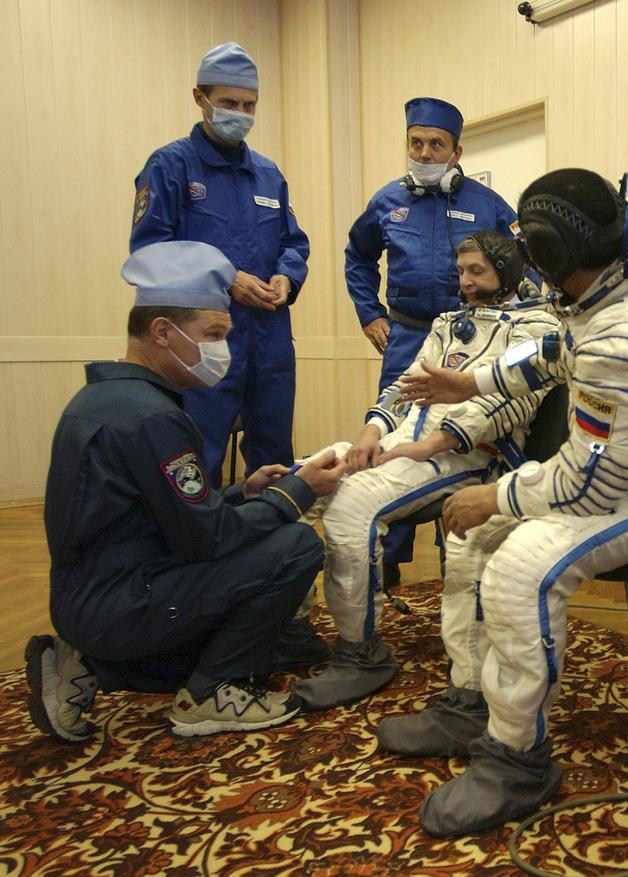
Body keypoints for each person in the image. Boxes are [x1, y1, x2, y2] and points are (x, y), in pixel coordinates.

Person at [376, 168, 628, 836]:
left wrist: (495, 494)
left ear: (545, 252)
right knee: (478, 540)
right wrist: (469, 382)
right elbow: (552, 352)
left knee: (522, 564)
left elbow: (588, 485)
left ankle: (517, 759)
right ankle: (472, 701)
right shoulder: (613, 296)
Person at [26, 241, 345, 742]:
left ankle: (87, 665)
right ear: (162, 332)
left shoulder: (101, 399)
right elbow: (208, 539)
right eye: (213, 335)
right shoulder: (155, 418)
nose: (223, 352)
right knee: (295, 547)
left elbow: (161, 512)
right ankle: (212, 693)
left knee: (260, 636)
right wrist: (297, 492)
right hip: (124, 602)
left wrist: (244, 492)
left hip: (90, 600)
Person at [290, 231, 558, 710]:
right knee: (302, 482)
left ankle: (360, 655)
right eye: (461, 271)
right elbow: (406, 385)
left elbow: (512, 398)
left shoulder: (536, 328)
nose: (466, 281)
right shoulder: (448, 323)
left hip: (471, 455)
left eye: (476, 271)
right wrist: (372, 432)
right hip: (404, 445)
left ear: (506, 270)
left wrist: (430, 445)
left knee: (351, 509)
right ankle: (290, 629)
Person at [344, 97, 521, 589]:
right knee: (398, 429)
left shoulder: (486, 203)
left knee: (463, 442)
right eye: (416, 143)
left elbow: (521, 258)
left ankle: (455, 550)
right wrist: (369, 314)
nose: (424, 153)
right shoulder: (387, 201)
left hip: (474, 337)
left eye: (436, 144)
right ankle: (389, 562)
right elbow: (358, 258)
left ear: (456, 152)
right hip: (408, 333)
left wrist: (519, 317)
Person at [130, 41, 310, 490]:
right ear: (200, 98)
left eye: (250, 105)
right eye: (229, 103)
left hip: (269, 335)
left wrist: (287, 277)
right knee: (196, 453)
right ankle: (199, 536)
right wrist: (225, 279)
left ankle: (274, 530)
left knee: (274, 454)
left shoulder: (268, 174)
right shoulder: (170, 166)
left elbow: (293, 241)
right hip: (199, 338)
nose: (241, 113)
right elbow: (150, 251)